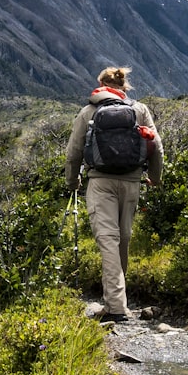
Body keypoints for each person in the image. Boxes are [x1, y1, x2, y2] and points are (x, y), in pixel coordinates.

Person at [65, 66, 164, 324]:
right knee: (123, 238)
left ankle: (116, 306)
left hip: (100, 183)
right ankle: (118, 300)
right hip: (131, 182)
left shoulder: (88, 111)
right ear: (124, 86)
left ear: (100, 85)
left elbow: (74, 152)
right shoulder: (139, 110)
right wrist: (155, 176)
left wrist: (73, 181)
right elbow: (156, 146)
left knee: (108, 239)